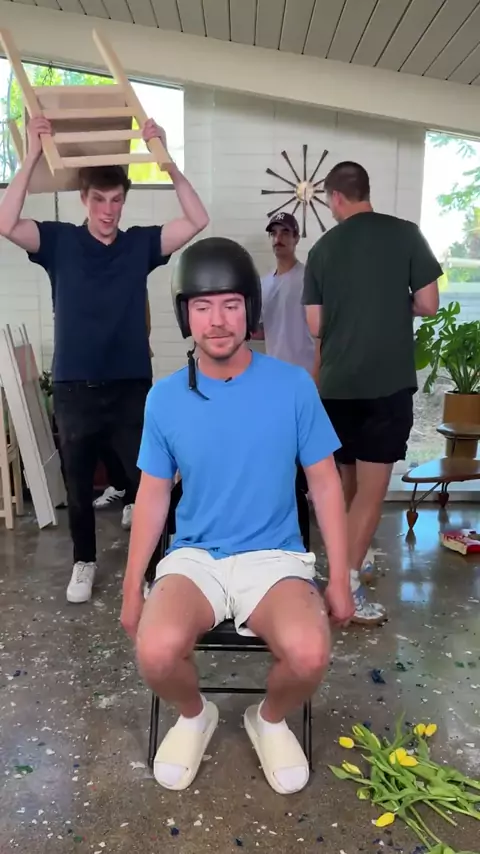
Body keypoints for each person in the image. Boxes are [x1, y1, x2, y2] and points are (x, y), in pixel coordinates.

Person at [121, 236, 354, 795]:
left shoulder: (292, 386)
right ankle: (194, 714)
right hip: (195, 557)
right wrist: (132, 586)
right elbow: (153, 495)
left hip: (274, 558)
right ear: (186, 315)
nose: (218, 320)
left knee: (310, 653)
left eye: (230, 304)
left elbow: (325, 483)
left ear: (250, 308)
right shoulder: (165, 398)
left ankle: (268, 719)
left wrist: (343, 577)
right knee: (154, 651)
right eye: (203, 306)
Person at [0, 115, 209, 605]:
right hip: (74, 387)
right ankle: (84, 561)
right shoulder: (59, 242)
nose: (108, 210)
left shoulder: (139, 245)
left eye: (116, 200)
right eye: (99, 200)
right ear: (83, 199)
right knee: (78, 486)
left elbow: (197, 219)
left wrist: (165, 159)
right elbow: (5, 222)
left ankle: (160, 565)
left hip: (130, 387)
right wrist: (32, 154)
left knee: (148, 482)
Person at [303, 161, 442, 626]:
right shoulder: (406, 234)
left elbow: (315, 325)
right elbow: (429, 303)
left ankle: (348, 563)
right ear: (365, 191)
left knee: (346, 483)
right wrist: (392, 304)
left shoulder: (322, 249)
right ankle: (345, 586)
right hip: (386, 384)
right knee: (371, 489)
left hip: (336, 386)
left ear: (335, 197)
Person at [253, 210, 320, 549]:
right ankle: (283, 511)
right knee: (279, 446)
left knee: (307, 448)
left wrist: (318, 376)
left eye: (285, 232)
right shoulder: (264, 283)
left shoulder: (309, 280)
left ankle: (311, 510)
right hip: (273, 378)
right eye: (274, 233)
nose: (279, 238)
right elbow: (262, 330)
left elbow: (321, 330)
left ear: (296, 238)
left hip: (305, 375)